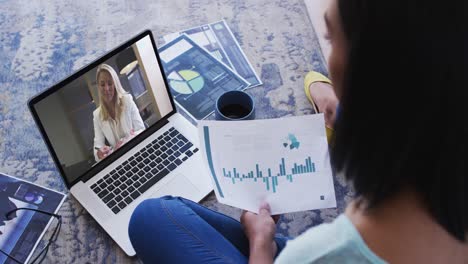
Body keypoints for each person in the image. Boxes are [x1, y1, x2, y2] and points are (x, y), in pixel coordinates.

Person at [128, 0, 468, 263]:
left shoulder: (319, 253)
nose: (328, 55)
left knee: (149, 218)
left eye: (331, 39)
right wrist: (333, 98)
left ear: (369, 75)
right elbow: (313, 80)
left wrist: (261, 245)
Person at [93, 64, 145, 161]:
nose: (106, 88)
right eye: (102, 84)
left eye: (110, 83)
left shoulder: (127, 100)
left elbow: (141, 129)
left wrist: (124, 143)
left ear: (115, 84)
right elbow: (97, 149)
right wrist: (99, 153)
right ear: (98, 87)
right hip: (120, 161)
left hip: (137, 151)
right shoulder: (97, 115)